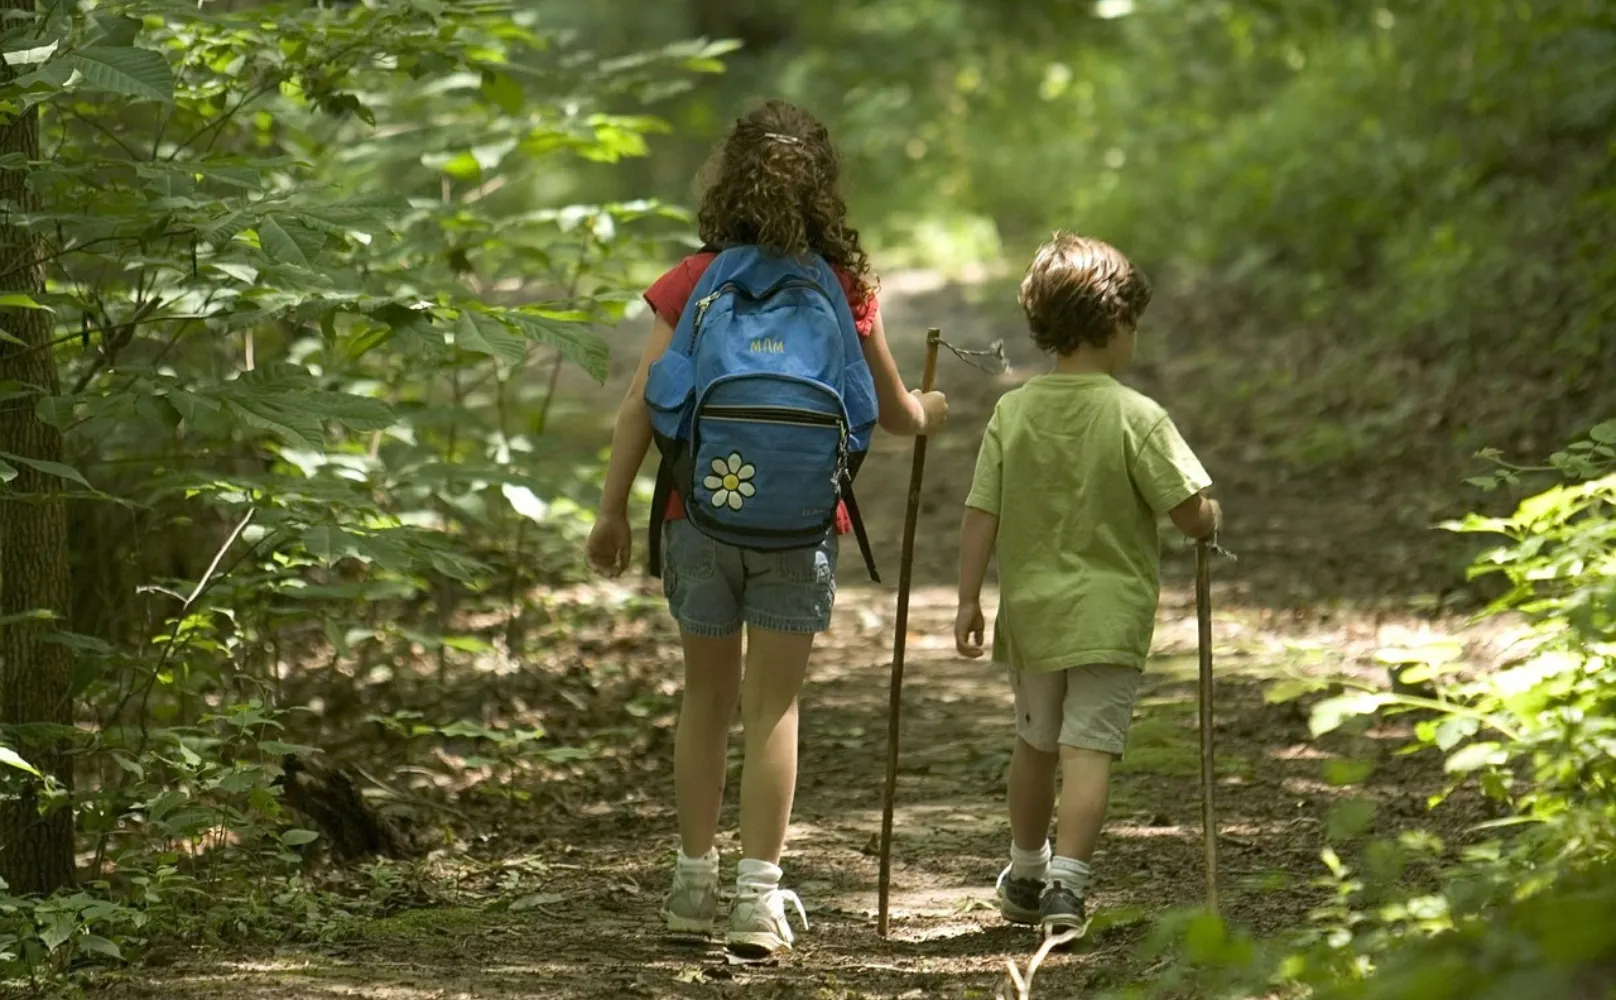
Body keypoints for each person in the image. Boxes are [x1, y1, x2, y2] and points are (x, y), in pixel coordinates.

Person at [585, 99, 949, 955]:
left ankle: (689, 886)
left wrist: (610, 510)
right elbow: (895, 415)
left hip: (696, 516)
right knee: (774, 704)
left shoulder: (693, 277)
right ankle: (758, 899)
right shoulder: (845, 285)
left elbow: (644, 399)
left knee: (705, 700)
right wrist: (929, 407)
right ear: (824, 188)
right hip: (797, 528)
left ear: (729, 179)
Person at [953, 231, 1222, 937]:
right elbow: (1189, 512)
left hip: (1034, 615)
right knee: (1089, 750)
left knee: (1036, 744)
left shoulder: (1014, 411)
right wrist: (1211, 517)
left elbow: (982, 509)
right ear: (1114, 323)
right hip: (1108, 618)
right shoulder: (1136, 415)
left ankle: (1025, 870)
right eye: (1134, 322)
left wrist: (968, 598)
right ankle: (1068, 886)